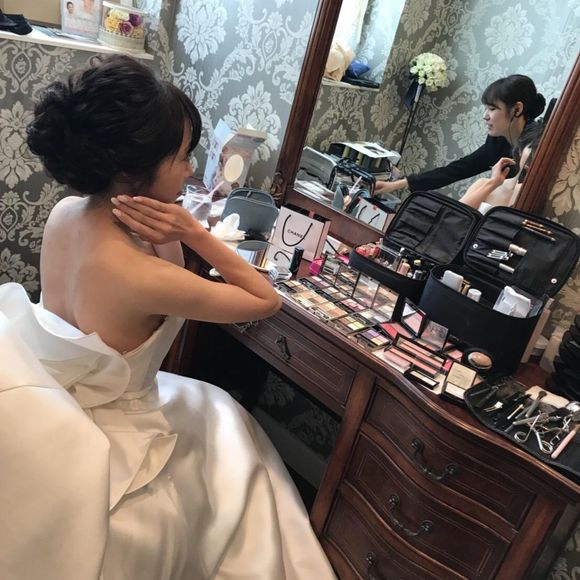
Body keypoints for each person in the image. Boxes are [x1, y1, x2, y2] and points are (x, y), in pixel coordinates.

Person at [0, 55, 335, 580]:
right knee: (229, 424)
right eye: (182, 157)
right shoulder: (138, 274)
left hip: (60, 395)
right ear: (131, 170)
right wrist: (196, 233)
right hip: (119, 427)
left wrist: (171, 229)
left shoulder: (67, 212)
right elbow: (265, 301)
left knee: (218, 410)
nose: (191, 170)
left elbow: (158, 270)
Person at [374, 74, 546, 195]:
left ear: (517, 109)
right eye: (486, 108)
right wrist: (396, 185)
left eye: (492, 109)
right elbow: (457, 169)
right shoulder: (497, 142)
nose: (485, 116)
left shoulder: (534, 147)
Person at [459, 122, 544, 210]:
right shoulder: (483, 183)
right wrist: (493, 183)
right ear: (520, 150)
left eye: (543, 151)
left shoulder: (539, 198)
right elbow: (457, 214)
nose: (536, 154)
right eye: (533, 147)